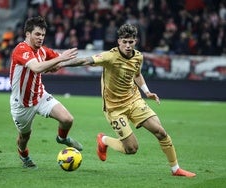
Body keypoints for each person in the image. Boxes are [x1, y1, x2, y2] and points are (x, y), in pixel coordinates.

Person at [55, 23, 196, 177]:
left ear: (135, 41)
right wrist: (60, 63)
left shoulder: (138, 56)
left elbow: (137, 75)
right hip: (114, 108)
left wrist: (147, 92)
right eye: (125, 42)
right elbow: (85, 61)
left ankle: (175, 169)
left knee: (160, 132)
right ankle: (104, 140)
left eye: (131, 42)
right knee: (132, 149)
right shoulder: (110, 56)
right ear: (119, 41)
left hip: (134, 100)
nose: (128, 45)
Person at [9, 16, 83, 169]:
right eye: (37, 34)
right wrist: (59, 59)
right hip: (22, 104)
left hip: (40, 96)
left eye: (43, 35)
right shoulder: (21, 49)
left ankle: (62, 138)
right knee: (24, 137)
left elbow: (63, 62)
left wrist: (94, 60)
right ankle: (24, 155)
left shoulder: (42, 51)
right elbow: (36, 67)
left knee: (67, 119)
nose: (41, 38)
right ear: (27, 34)